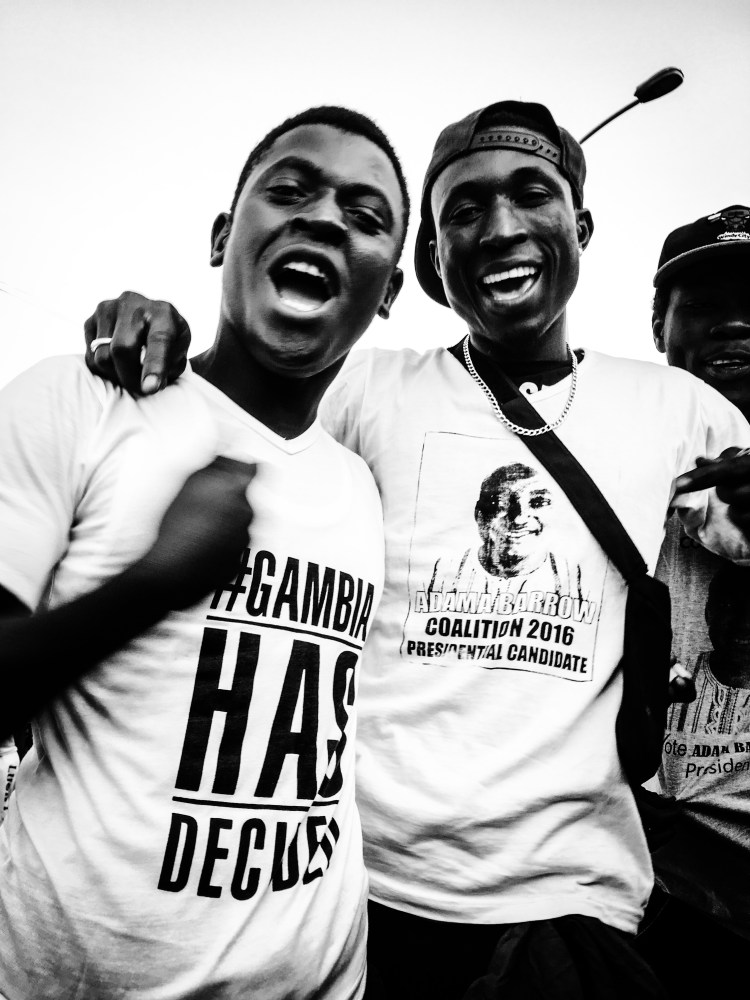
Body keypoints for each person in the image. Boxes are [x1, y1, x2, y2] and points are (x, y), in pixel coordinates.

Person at [82, 102, 750, 999]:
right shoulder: (368, 388)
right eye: (463, 211)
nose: (500, 228)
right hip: (360, 896)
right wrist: (151, 337)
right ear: (433, 258)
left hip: (574, 905)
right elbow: (225, 411)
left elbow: (732, 534)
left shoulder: (680, 410)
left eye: (533, 194)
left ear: (581, 227)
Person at [0, 105, 407, 1000]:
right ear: (225, 236)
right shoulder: (83, 402)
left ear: (389, 289)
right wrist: (155, 583)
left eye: (365, 215)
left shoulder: (364, 481)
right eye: (290, 191)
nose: (324, 217)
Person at [634, 205, 750, 994]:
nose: (736, 323)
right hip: (637, 888)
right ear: (659, 325)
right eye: (705, 304)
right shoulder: (612, 475)